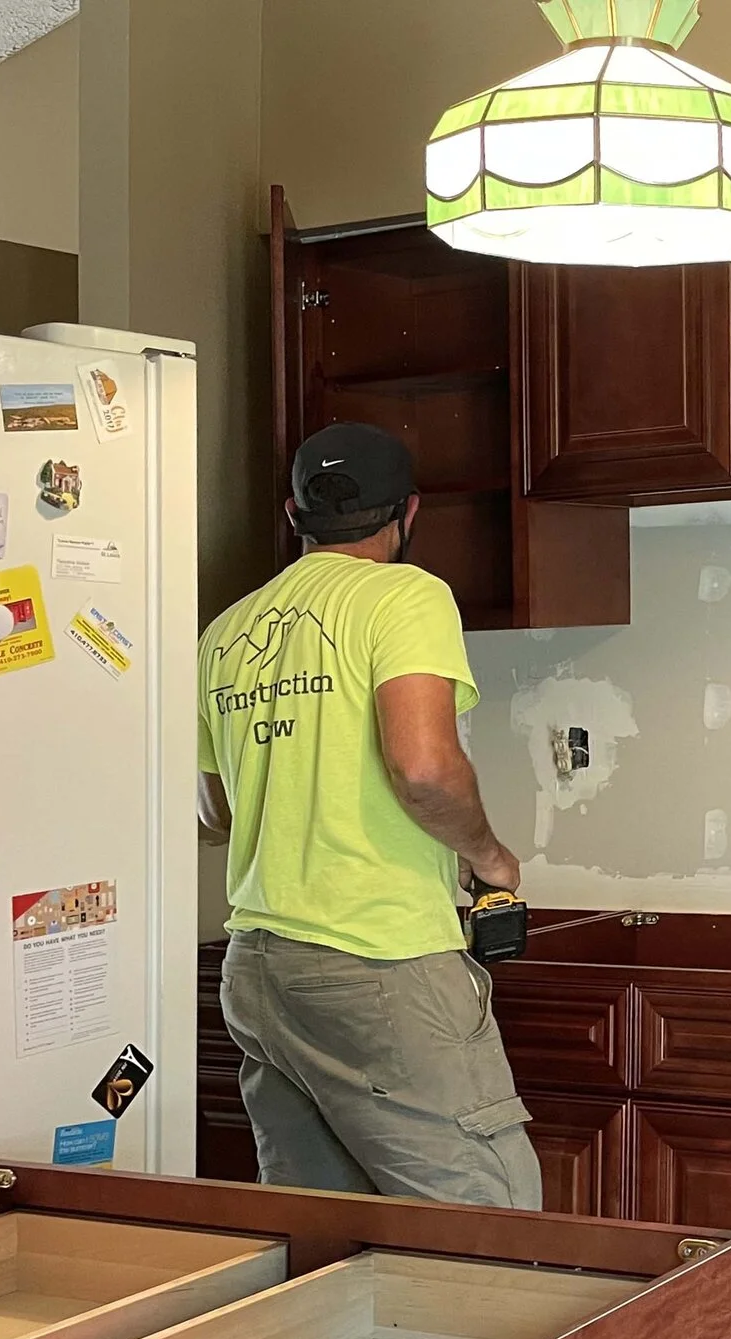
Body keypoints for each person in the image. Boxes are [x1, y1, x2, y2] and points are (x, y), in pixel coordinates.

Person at [195, 421, 543, 1208]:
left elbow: (215, 809)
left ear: (295, 513)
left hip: (258, 964)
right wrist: (487, 856)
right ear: (407, 513)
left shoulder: (226, 632)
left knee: (324, 1226)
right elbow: (422, 768)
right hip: (378, 956)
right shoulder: (405, 595)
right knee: (494, 1222)